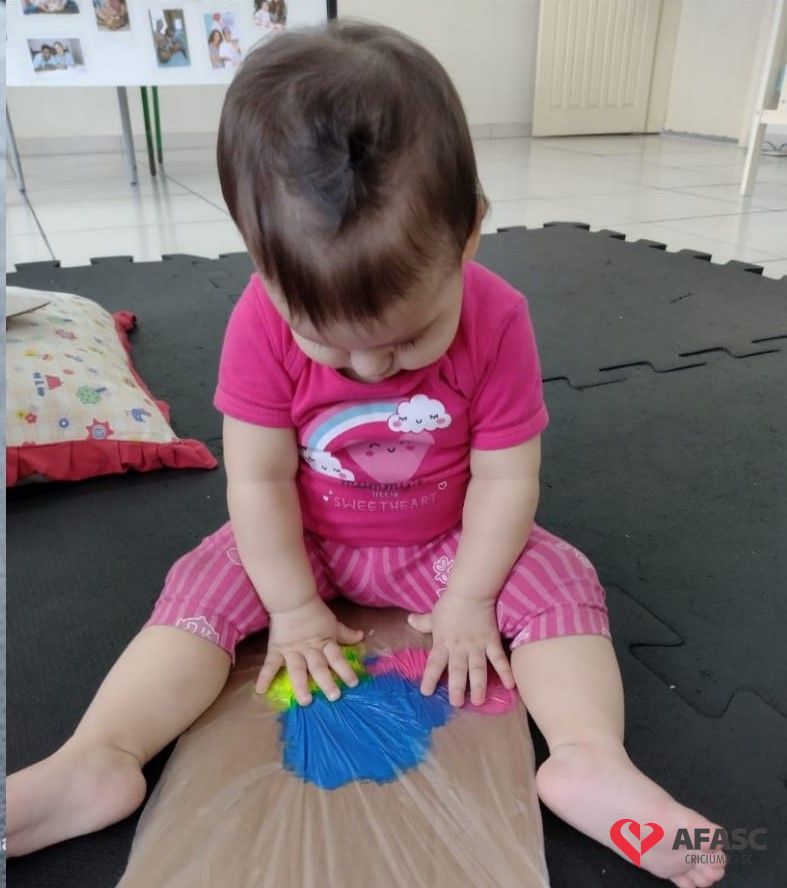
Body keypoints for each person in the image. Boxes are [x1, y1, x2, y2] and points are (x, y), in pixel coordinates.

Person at [5, 22, 727, 887]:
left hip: (447, 544)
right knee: (201, 583)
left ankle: (588, 759)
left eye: (408, 337)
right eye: (329, 345)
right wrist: (292, 607)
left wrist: (471, 596)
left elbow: (506, 475)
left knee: (561, 576)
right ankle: (99, 756)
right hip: (302, 543)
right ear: (262, 267)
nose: (372, 369)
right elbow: (259, 479)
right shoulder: (258, 319)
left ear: (468, 236)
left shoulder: (499, 317)